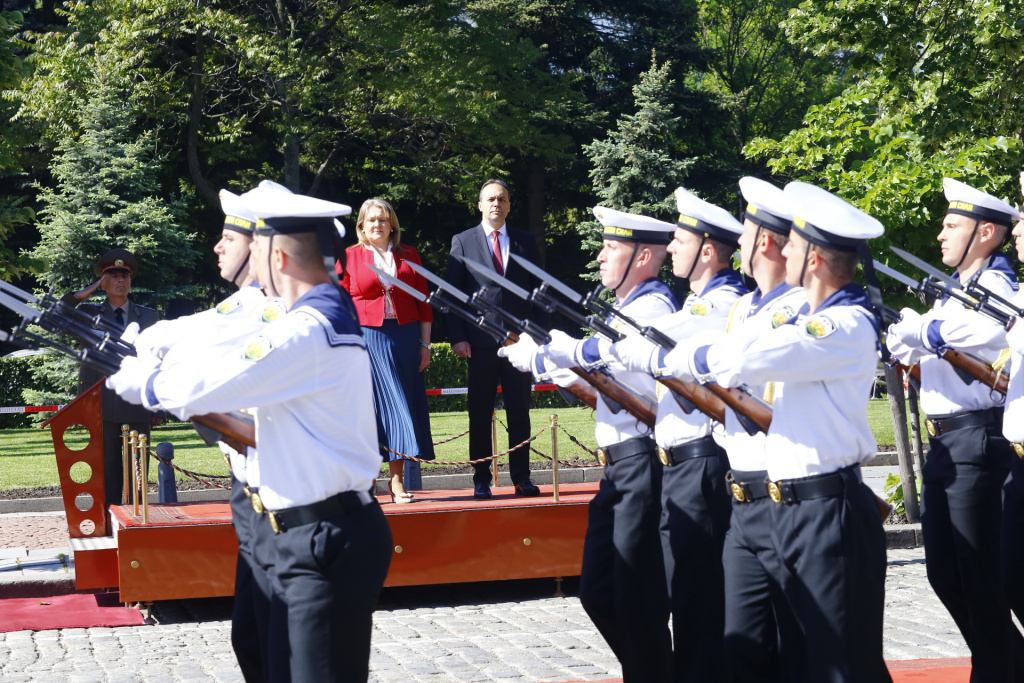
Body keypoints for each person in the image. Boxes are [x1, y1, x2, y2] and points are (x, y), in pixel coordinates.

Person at [108, 188, 392, 683]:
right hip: (303, 533)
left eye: (255, 248)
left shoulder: (309, 329)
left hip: (325, 539)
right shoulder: (317, 319)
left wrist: (146, 383)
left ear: (277, 254)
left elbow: (221, 379)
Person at [664, 181, 891, 682]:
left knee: (840, 665)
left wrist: (693, 354)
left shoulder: (844, 324)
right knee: (764, 653)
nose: (781, 247)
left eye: (793, 242)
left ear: (812, 258)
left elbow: (752, 354)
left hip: (828, 512)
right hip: (786, 507)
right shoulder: (804, 319)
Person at [501, 206, 678, 682]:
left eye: (611, 248)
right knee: (601, 591)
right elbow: (605, 385)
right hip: (620, 469)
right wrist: (549, 362)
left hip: (641, 464)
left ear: (643, 255)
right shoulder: (628, 309)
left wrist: (546, 359)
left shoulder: (651, 310)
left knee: (635, 598)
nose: (600, 257)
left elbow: (629, 384)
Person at [607, 187, 747, 682]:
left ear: (708, 250)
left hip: (703, 460)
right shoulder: (700, 301)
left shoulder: (721, 302)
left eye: (682, 240)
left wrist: (585, 350)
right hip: (679, 464)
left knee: (699, 608)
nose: (673, 248)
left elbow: (664, 333)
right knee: (685, 599)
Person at [887, 178, 1023, 681]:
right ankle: (1010, 663)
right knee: (944, 573)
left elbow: (991, 330)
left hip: (977, 440)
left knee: (980, 578)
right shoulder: (956, 292)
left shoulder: (996, 287)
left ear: (986, 232)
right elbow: (918, 346)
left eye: (952, 225)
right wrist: (913, 337)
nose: (941, 234)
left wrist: (922, 331)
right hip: (945, 441)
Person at [447, 179, 543, 499]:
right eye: (490, 199)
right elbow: (454, 296)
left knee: (520, 412)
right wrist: (458, 337)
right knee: (479, 412)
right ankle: (481, 478)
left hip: (519, 343)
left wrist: (538, 336)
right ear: (480, 205)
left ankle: (521, 478)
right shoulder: (462, 241)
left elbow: (539, 293)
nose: (496, 204)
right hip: (480, 343)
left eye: (502, 198)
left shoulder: (526, 242)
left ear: (509, 205)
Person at [340, 198, 435, 502]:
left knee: (402, 404)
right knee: (369, 410)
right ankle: (367, 481)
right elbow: (339, 305)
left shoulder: (409, 255)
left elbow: (424, 302)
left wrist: (425, 344)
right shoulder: (349, 257)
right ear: (362, 226)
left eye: (383, 219)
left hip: (405, 337)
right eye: (371, 220)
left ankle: (397, 482)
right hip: (365, 340)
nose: (377, 224)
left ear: (392, 223)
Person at [61, 248, 159, 508]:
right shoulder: (88, 314)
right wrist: (85, 292)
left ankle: (138, 524)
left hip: (137, 403)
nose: (120, 281)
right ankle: (108, 522)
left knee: (138, 471)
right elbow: (58, 316)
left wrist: (157, 404)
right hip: (100, 403)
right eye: (113, 276)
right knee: (107, 470)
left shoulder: (148, 316)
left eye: (125, 276)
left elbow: (159, 361)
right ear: (103, 283)